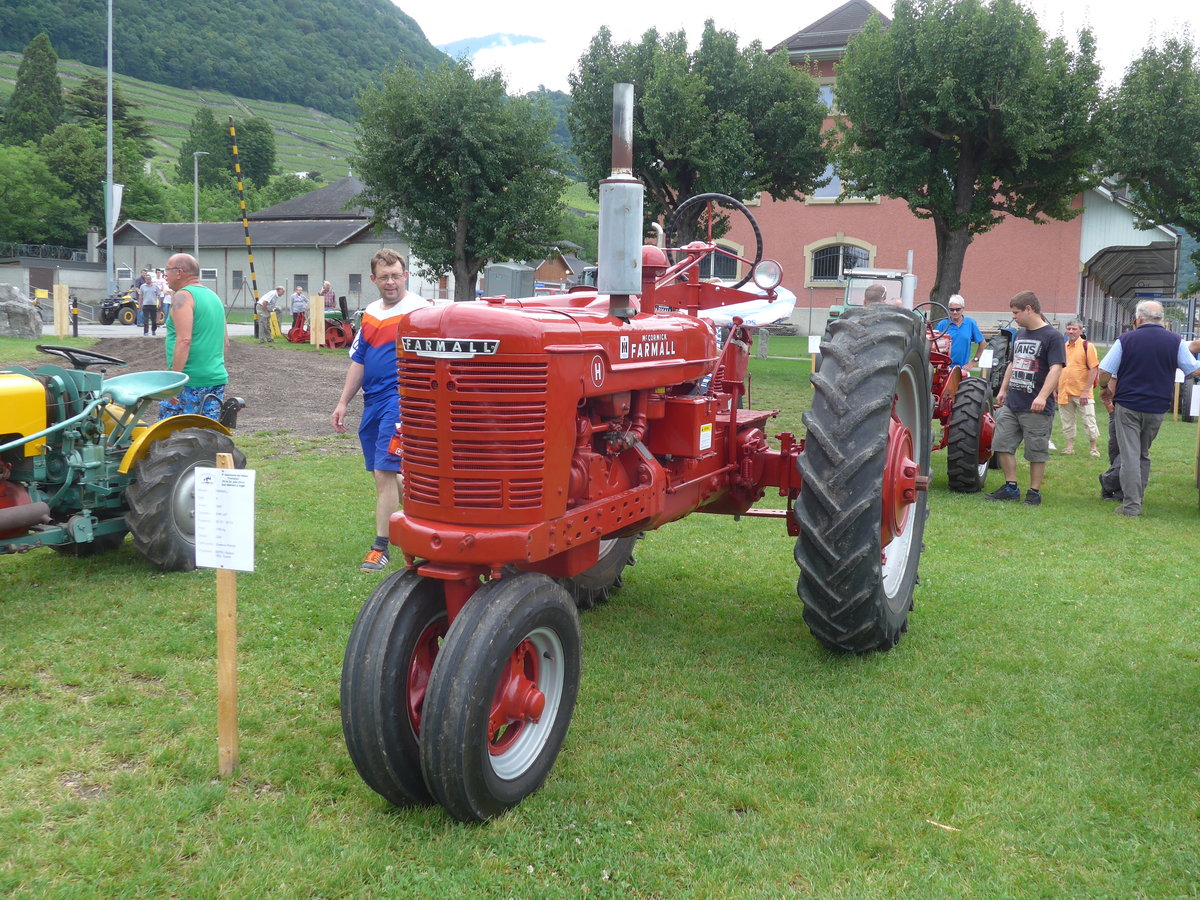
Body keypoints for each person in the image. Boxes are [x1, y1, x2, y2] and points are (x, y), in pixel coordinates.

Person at [332, 250, 430, 572]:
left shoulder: (419, 311)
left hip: (401, 400)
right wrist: (344, 401)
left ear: (406, 275)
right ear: (374, 279)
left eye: (396, 275)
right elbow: (359, 360)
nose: (391, 282)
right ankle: (429, 518)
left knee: (385, 471)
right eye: (384, 276)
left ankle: (380, 547)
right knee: (385, 473)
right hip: (372, 401)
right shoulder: (371, 313)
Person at [1097, 300, 1200, 517]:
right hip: (1157, 407)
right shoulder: (1175, 341)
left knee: (1130, 455)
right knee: (1142, 453)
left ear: (1139, 318)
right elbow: (1193, 370)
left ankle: (1131, 506)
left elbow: (1105, 370)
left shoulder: (1126, 339)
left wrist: (1105, 387)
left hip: (1128, 405)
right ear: (1161, 319)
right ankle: (1137, 498)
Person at [985, 291, 1066, 506]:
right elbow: (1013, 363)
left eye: (1016, 312)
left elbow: (1056, 368)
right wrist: (1003, 390)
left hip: (1036, 406)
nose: (1014, 317)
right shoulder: (1020, 333)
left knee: (1036, 450)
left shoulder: (1052, 336)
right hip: (1013, 402)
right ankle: (1011, 486)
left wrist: (1042, 396)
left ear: (1029, 309)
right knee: (1001, 443)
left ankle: (1034, 492)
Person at [159, 253, 229, 421]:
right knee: (207, 433)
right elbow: (225, 342)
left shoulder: (183, 297)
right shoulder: (214, 297)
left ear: (179, 272)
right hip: (216, 378)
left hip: (189, 381)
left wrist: (174, 382)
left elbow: (184, 340)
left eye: (166, 270)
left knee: (169, 436)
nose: (164, 276)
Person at [1056, 319, 1100, 456]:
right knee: (1067, 421)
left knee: (1089, 420)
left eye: (1074, 329)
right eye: (1069, 329)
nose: (1071, 332)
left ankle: (1093, 448)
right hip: (1065, 391)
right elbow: (1057, 368)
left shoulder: (1088, 346)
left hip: (1082, 391)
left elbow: (1094, 369)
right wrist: (1055, 389)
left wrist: (1086, 391)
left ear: (1081, 331)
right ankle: (1069, 447)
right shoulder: (1063, 347)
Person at [934, 294, 986, 370]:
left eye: (957, 309)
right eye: (952, 309)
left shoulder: (970, 323)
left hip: (963, 368)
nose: (954, 312)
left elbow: (982, 342)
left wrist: (974, 362)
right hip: (945, 368)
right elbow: (934, 345)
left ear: (963, 309)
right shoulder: (942, 324)